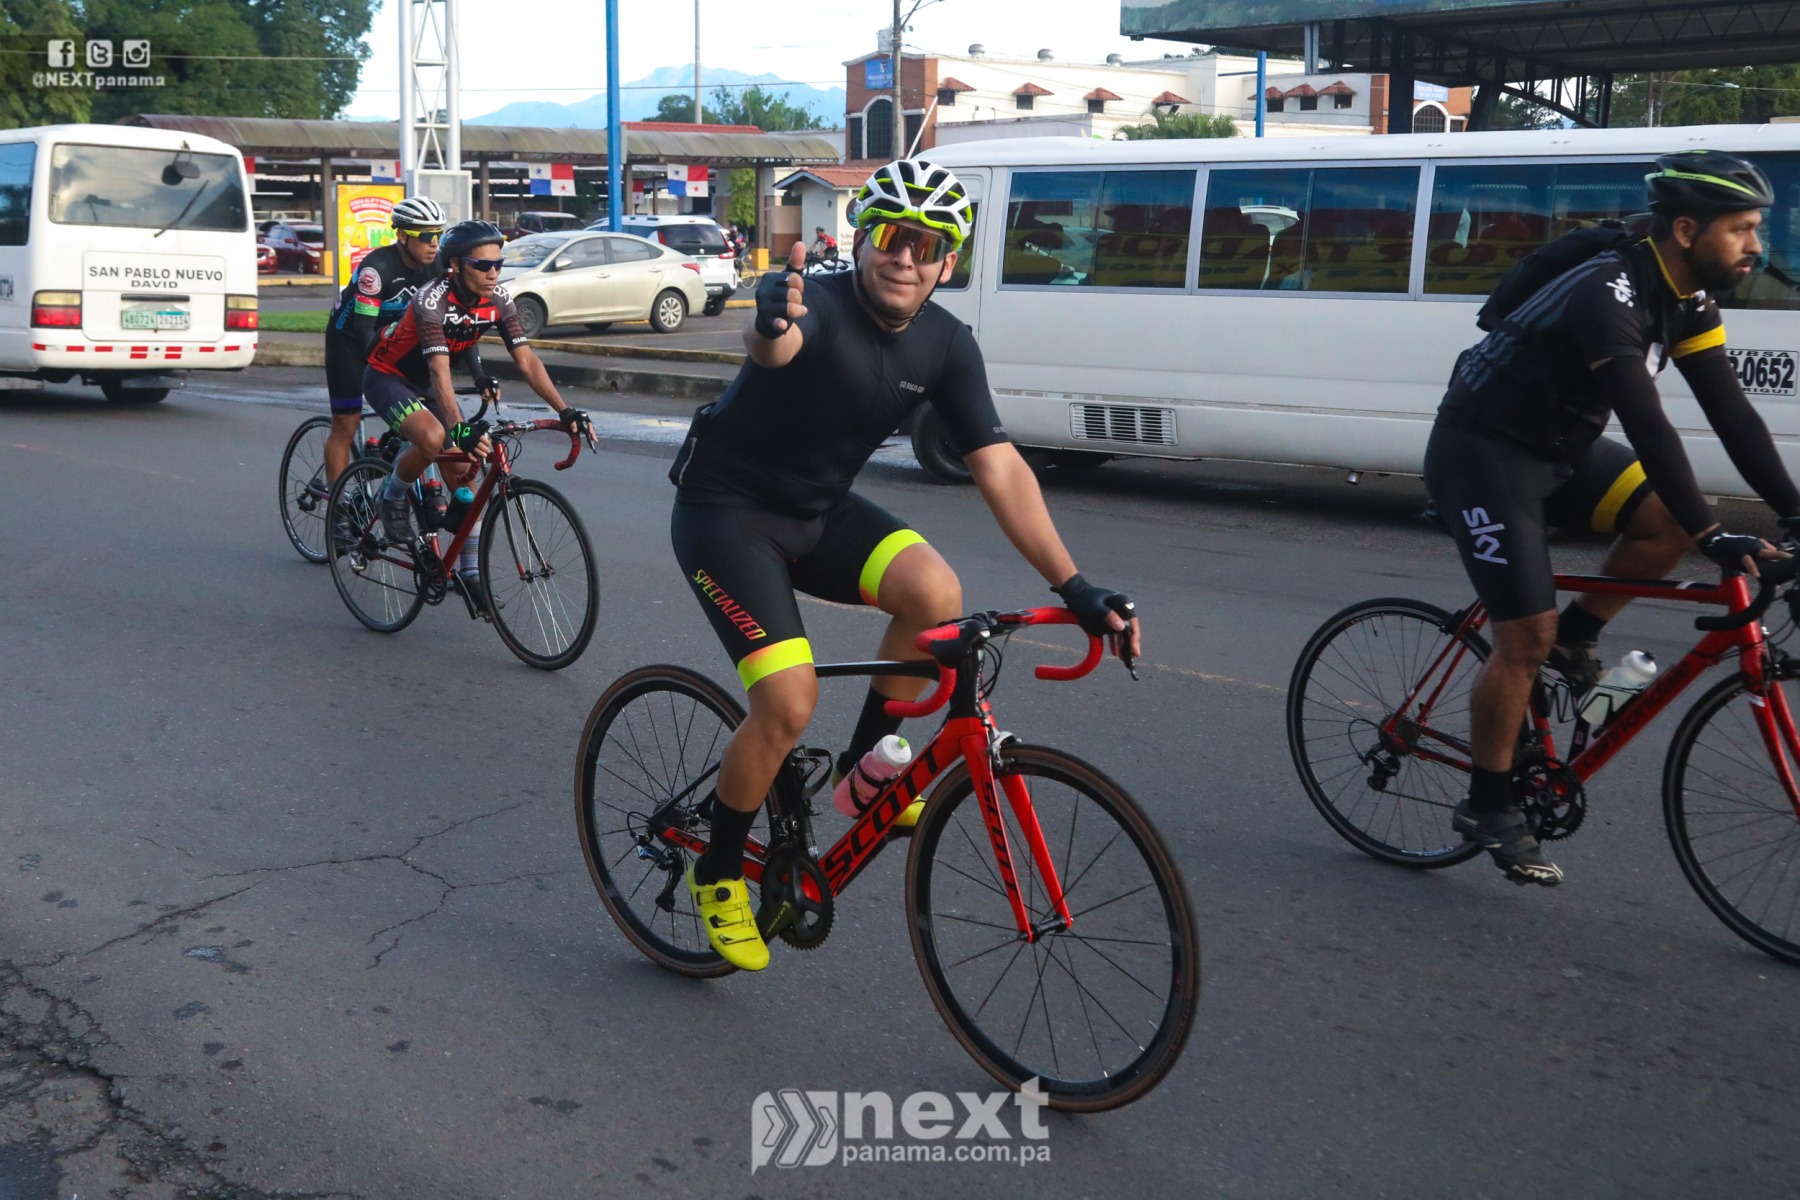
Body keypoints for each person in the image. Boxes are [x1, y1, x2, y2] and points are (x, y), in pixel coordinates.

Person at [667, 158, 1141, 970]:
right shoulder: (815, 303)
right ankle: (716, 872)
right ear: (861, 241)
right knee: (787, 701)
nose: (905, 257)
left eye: (927, 244)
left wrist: (1074, 585)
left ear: (947, 262)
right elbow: (774, 347)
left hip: (817, 513)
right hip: (726, 516)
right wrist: (769, 323)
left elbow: (1000, 467)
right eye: (890, 235)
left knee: (935, 592)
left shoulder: (947, 344)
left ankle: (865, 767)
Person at [1425, 150, 1798, 887]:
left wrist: (1794, 510)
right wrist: (1714, 535)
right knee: (1522, 638)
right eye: (1742, 228)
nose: (1756, 245)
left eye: (1757, 229)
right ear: (1687, 230)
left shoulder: (1689, 300)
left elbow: (1733, 416)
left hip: (1562, 449)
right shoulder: (1609, 291)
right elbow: (1648, 424)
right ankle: (1488, 803)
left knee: (1663, 522)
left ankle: (1578, 637)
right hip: (1483, 454)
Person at [362, 220, 594, 604]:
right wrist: (459, 430)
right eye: (483, 265)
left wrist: (565, 410)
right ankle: (391, 495)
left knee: (465, 480)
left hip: (428, 385)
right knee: (435, 437)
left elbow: (526, 360)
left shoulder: (498, 298)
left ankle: (469, 574)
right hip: (389, 376)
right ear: (455, 265)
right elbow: (439, 372)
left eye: (498, 264)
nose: (493, 273)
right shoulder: (431, 300)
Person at [322, 196, 446, 483]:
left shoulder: (436, 265)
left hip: (393, 341)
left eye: (438, 235)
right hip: (349, 343)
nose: (434, 243)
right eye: (425, 236)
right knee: (346, 423)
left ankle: (387, 449)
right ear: (402, 236)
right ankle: (337, 502)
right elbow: (364, 333)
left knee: (419, 414)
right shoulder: (376, 269)